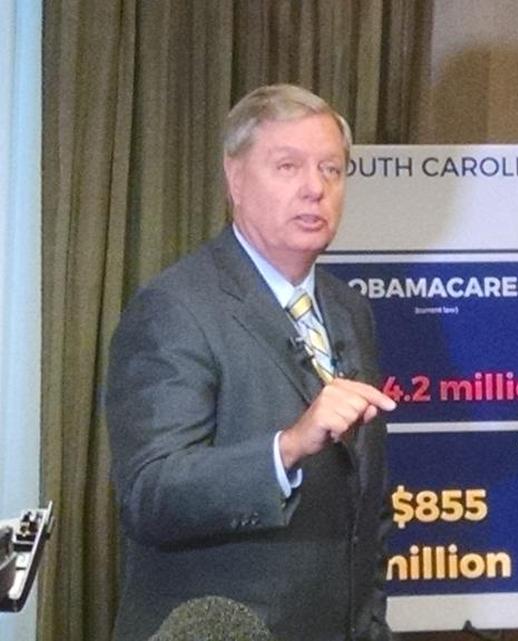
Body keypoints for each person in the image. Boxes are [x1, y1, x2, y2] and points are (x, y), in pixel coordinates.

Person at [106, 84, 397, 641]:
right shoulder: (176, 307)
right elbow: (151, 492)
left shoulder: (349, 309)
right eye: (287, 166)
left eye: (331, 170)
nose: (314, 188)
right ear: (235, 179)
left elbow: (365, 510)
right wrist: (286, 447)